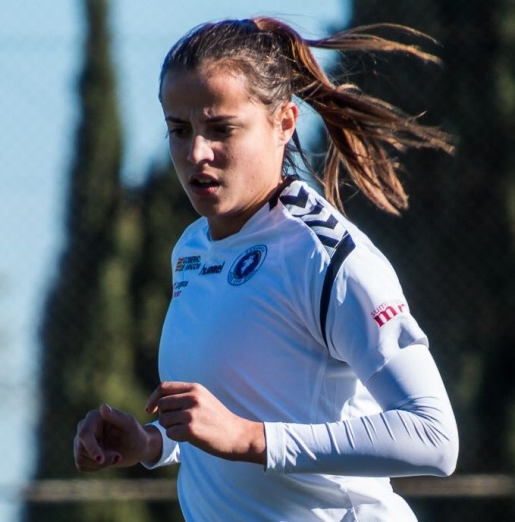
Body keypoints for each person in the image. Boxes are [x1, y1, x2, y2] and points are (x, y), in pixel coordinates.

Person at [73, 16, 459, 521]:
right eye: (179, 130)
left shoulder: (327, 257)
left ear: (284, 123)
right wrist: (152, 442)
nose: (196, 153)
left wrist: (251, 438)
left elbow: (433, 437)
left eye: (221, 129)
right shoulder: (192, 248)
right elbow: (247, 408)